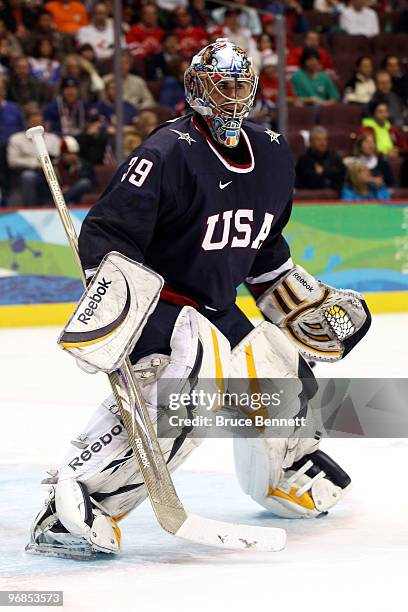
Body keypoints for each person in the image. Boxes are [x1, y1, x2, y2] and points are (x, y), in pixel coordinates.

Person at [26, 39, 369, 559]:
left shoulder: (274, 155)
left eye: (239, 84)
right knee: (190, 378)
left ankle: (284, 469)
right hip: (162, 302)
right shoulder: (166, 152)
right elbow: (106, 234)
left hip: (216, 303)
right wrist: (119, 313)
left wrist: (302, 302)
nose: (231, 96)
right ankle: (73, 508)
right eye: (220, 84)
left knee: (280, 368)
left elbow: (263, 247)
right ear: (196, 89)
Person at [7, 109, 60, 206]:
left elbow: (57, 158)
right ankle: (32, 207)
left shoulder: (53, 139)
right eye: (34, 122)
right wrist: (36, 164)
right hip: (26, 172)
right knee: (28, 176)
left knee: (57, 174)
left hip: (50, 171)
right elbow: (12, 161)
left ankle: (52, 205)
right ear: (27, 123)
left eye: (39, 122)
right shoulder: (16, 139)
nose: (37, 125)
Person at [295, 125, 346, 193]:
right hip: (309, 197)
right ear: (310, 142)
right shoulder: (304, 159)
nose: (323, 143)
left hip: (332, 197)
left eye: (325, 139)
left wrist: (324, 172)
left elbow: (341, 176)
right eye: (318, 140)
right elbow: (300, 182)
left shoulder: (334, 158)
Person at [0, 76, 25, 145]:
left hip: (13, 146)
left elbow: (23, 127)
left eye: (1, 88)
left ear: (5, 91)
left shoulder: (14, 108)